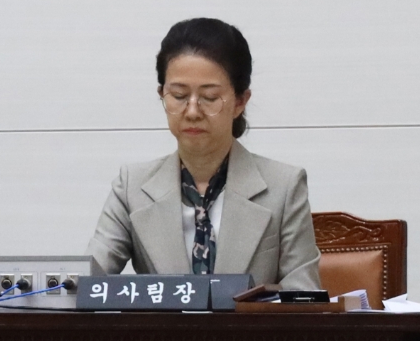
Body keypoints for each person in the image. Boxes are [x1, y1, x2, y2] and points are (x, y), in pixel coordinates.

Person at [87, 18, 321, 290]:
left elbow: (305, 295)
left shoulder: (284, 186)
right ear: (162, 94)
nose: (193, 111)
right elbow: (86, 282)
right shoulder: (132, 187)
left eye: (209, 97)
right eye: (178, 95)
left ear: (239, 101)